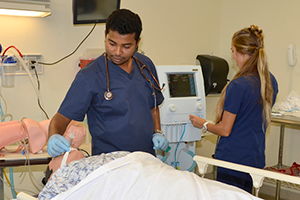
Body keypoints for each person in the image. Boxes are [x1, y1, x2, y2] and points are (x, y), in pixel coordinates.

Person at [47, 9, 169, 158]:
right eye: (112, 44)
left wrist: (157, 131)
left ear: (137, 42)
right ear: (105, 35)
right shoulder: (89, 76)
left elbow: (153, 103)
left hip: (146, 159)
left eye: (126, 46)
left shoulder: (146, 65)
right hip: (108, 164)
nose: (117, 52)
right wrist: (53, 137)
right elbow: (61, 118)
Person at [189, 25, 278, 193]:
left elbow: (225, 130)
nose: (233, 57)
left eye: (234, 52)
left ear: (244, 53)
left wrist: (203, 124)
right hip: (255, 157)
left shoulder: (238, 85)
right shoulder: (269, 80)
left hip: (232, 161)